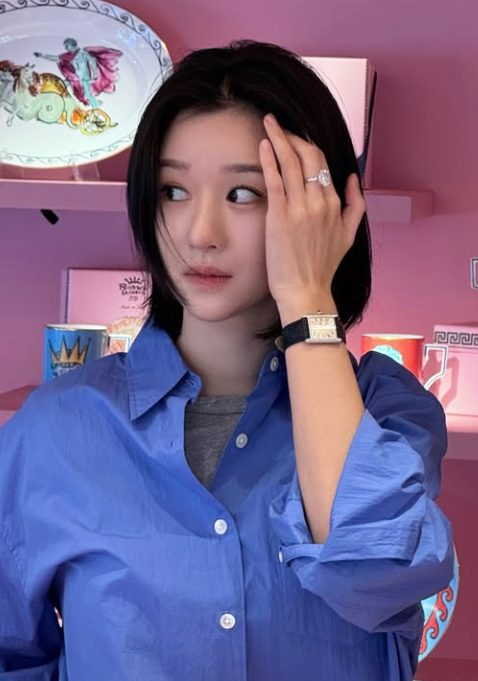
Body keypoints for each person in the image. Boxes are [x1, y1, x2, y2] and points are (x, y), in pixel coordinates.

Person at [0, 39, 453, 680]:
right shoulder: (54, 430)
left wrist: (308, 299)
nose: (199, 232)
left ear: (322, 211)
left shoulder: (387, 414)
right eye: (173, 191)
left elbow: (374, 573)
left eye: (243, 194)